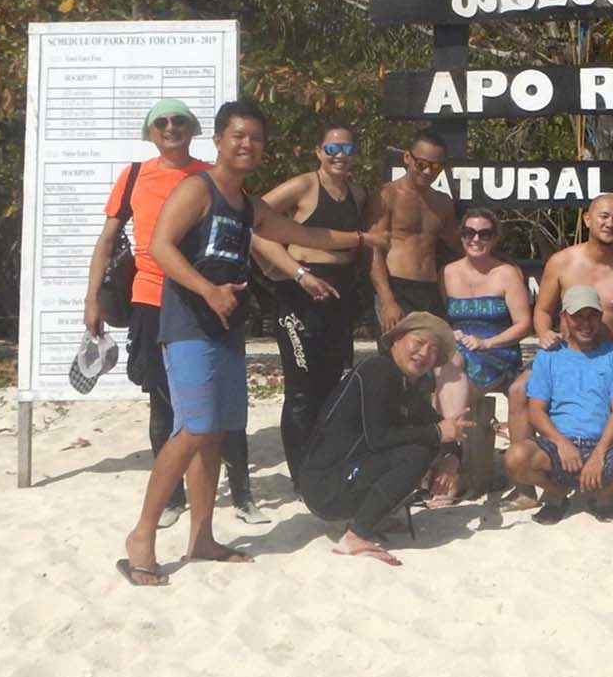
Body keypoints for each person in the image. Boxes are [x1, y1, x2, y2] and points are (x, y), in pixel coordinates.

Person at [116, 99, 387, 587]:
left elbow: (303, 233)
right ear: (218, 140)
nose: (247, 144)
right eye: (238, 136)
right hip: (188, 326)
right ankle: (142, 537)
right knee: (193, 429)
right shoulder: (196, 188)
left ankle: (201, 536)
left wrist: (362, 240)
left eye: (256, 138)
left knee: (214, 432)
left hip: (227, 326)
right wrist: (207, 290)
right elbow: (159, 246)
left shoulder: (246, 203)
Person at [84, 97, 261, 528]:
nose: (170, 127)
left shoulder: (209, 175)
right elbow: (108, 241)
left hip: (207, 302)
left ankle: (240, 495)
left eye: (179, 120)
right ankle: (171, 502)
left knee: (219, 413)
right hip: (151, 298)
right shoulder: (134, 176)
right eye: (160, 122)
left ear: (195, 130)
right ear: (150, 131)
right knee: (165, 405)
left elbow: (252, 229)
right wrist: (92, 299)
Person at [504, 194, 613, 508]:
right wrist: (544, 332)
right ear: (588, 219)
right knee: (519, 390)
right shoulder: (562, 261)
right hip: (565, 347)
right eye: (604, 216)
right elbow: (543, 310)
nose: (610, 223)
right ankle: (526, 488)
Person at [299, 312, 473, 566]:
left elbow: (443, 426)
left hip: (345, 478)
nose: (424, 353)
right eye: (419, 342)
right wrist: (438, 434)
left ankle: (371, 516)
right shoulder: (377, 370)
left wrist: (451, 457)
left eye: (433, 349)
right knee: (416, 452)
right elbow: (379, 439)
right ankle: (356, 535)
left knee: (421, 443)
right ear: (395, 341)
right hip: (325, 487)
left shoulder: (404, 385)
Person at [251, 124, 367, 491]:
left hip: (339, 295)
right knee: (302, 390)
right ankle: (301, 475)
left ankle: (324, 465)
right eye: (331, 148)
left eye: (346, 148)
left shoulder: (359, 193)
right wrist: (295, 272)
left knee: (331, 385)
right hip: (299, 295)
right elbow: (251, 224)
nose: (339, 155)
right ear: (318, 151)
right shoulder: (303, 186)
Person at [503, 286, 613, 524]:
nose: (585, 323)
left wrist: (599, 453)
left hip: (605, 446)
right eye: (578, 316)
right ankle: (555, 490)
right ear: (564, 318)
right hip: (559, 446)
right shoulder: (549, 356)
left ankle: (604, 491)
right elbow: (536, 411)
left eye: (592, 316)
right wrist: (561, 443)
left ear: (600, 317)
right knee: (515, 458)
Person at [426, 208, 533, 505]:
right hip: (457, 350)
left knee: (443, 382)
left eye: (484, 233)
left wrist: (487, 343)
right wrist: (452, 334)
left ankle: (449, 464)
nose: (476, 239)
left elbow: (524, 324)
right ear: (460, 236)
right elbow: (439, 320)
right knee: (447, 365)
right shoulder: (446, 273)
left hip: (497, 351)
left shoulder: (507, 273)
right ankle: (451, 460)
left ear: (495, 237)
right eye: (469, 232)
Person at [366, 127, 462, 333]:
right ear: (407, 157)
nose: (428, 172)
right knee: (396, 360)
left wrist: (500, 263)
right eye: (422, 164)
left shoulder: (443, 202)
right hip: (397, 287)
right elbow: (373, 250)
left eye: (436, 167)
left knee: (432, 358)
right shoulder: (387, 195)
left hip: (430, 289)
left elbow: (460, 246)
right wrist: (387, 300)